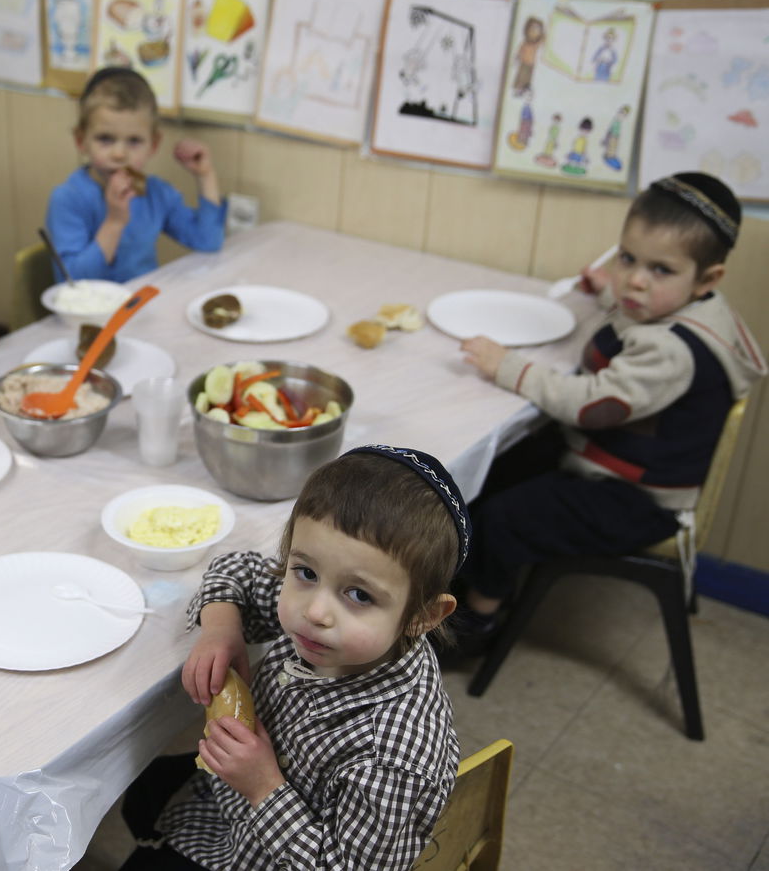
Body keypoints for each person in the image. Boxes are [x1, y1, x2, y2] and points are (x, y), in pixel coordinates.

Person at [454, 172, 765, 652]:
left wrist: (509, 368)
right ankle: (471, 575)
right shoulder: (682, 306)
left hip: (637, 500)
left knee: (504, 517)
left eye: (660, 270)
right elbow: (638, 311)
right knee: (495, 470)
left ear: (707, 279)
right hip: (610, 465)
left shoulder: (673, 351)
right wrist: (607, 289)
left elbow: (593, 406)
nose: (635, 281)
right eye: (627, 259)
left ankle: (476, 623)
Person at [119, 445, 467, 870]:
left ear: (424, 615)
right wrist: (222, 625)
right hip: (227, 807)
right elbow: (238, 569)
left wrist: (264, 788)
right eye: (305, 572)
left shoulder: (394, 760)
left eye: (359, 595)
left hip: (271, 846)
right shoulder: (333, 627)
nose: (314, 612)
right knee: (140, 792)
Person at [45, 66, 225, 283]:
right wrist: (114, 222)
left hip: (140, 306)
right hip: (91, 313)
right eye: (105, 139)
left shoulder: (156, 193)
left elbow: (208, 241)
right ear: (81, 140)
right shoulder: (68, 199)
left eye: (134, 141)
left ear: (153, 144)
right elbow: (73, 282)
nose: (120, 154)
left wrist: (205, 175)